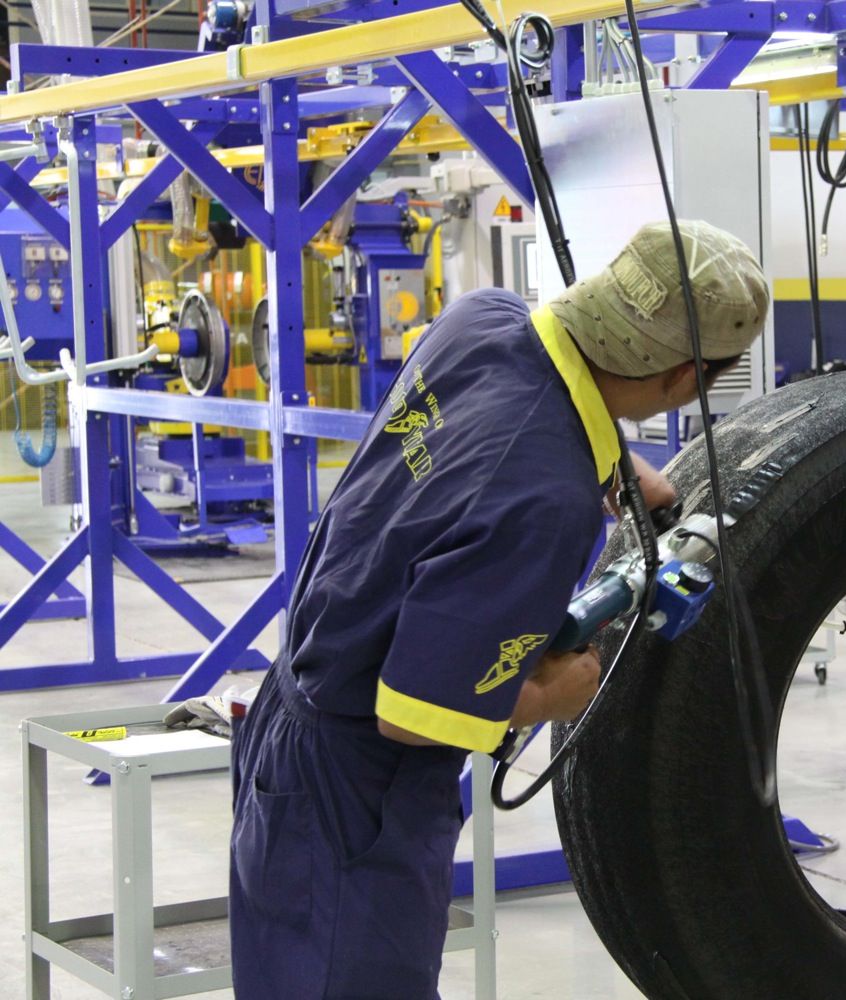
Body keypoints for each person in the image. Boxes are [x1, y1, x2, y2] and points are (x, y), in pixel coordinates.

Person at [228, 220, 770, 999]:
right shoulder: (545, 503)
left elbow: (499, 420)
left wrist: (613, 465)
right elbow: (414, 713)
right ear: (686, 378)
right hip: (356, 790)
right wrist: (556, 694)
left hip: (293, 717)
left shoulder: (480, 317)